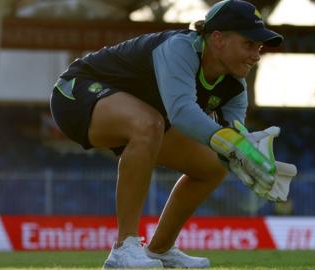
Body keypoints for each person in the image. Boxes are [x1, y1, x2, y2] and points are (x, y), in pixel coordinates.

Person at [49, 0, 283, 268]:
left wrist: (256, 161)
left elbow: (232, 139)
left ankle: (160, 250)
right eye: (249, 44)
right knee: (149, 123)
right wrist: (236, 147)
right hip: (76, 93)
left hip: (141, 116)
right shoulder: (180, 47)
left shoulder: (236, 88)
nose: (257, 55)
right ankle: (124, 248)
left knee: (213, 167)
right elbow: (182, 113)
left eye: (259, 47)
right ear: (218, 39)